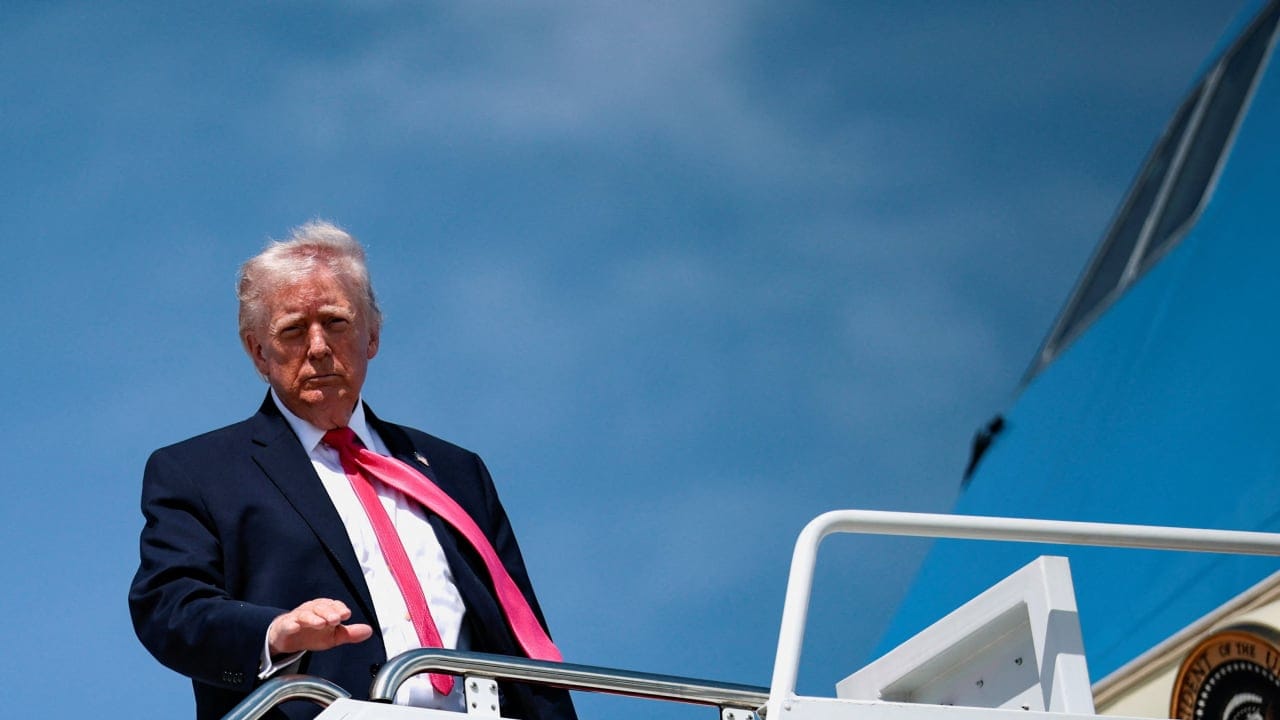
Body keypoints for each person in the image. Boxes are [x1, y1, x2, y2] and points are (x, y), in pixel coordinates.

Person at [129, 221, 576, 720]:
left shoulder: (455, 470)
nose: (318, 346)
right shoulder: (199, 471)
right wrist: (273, 634)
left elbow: (522, 638)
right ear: (258, 352)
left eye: (336, 322)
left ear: (372, 335)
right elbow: (169, 608)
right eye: (293, 329)